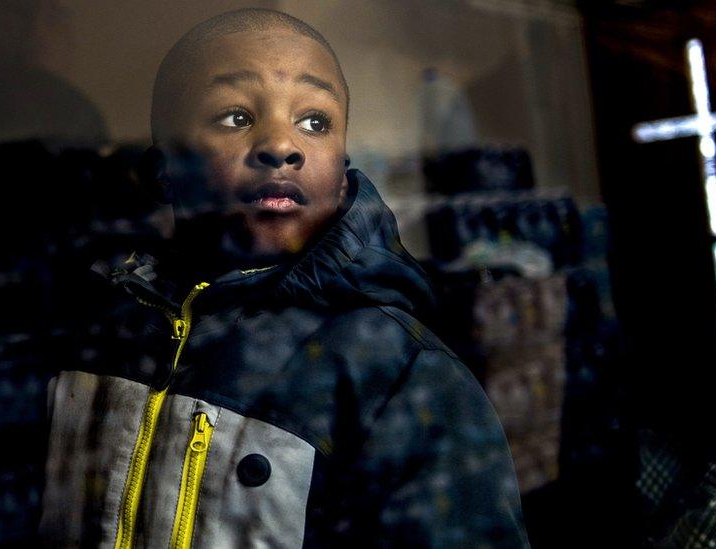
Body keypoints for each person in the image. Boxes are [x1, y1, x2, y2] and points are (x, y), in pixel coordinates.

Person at [40, 8, 528, 547]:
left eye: (315, 122)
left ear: (343, 178)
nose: (281, 144)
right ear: (164, 171)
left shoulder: (398, 370)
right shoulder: (95, 332)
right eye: (235, 117)